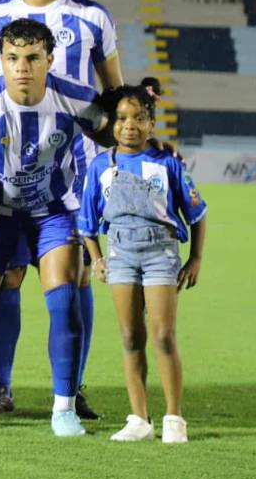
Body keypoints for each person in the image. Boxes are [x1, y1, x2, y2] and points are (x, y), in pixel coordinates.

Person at [0, 0, 121, 420]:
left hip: (66, 175)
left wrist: (130, 150)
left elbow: (112, 99)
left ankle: (72, 389)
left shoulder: (91, 17)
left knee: (74, 284)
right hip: (1, 170)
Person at [79, 80, 207, 443]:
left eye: (138, 118)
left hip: (160, 256)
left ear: (152, 123)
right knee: (130, 335)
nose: (129, 126)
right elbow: (87, 223)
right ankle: (139, 419)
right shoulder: (100, 167)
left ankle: (173, 418)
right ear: (111, 123)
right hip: (120, 256)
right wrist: (97, 259)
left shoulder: (168, 162)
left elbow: (197, 213)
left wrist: (195, 259)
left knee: (163, 335)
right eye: (121, 118)